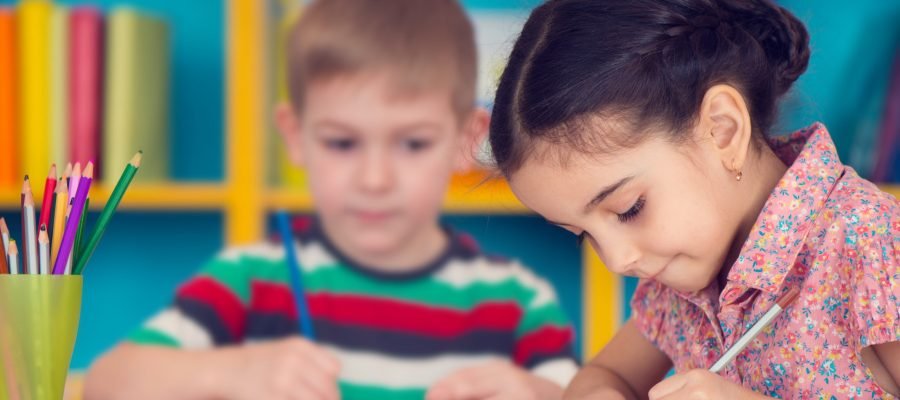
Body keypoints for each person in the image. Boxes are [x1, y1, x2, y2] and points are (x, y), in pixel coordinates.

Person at [84, 1, 578, 399]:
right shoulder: (250, 281)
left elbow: (583, 393)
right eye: (342, 143)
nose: (375, 178)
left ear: (465, 140)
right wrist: (235, 372)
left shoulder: (517, 301)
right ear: (295, 136)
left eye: (413, 143)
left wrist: (532, 391)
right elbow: (106, 384)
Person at [487, 0, 900, 398]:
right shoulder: (679, 283)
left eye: (629, 209)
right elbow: (605, 375)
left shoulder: (870, 240)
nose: (615, 261)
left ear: (723, 130)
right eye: (581, 234)